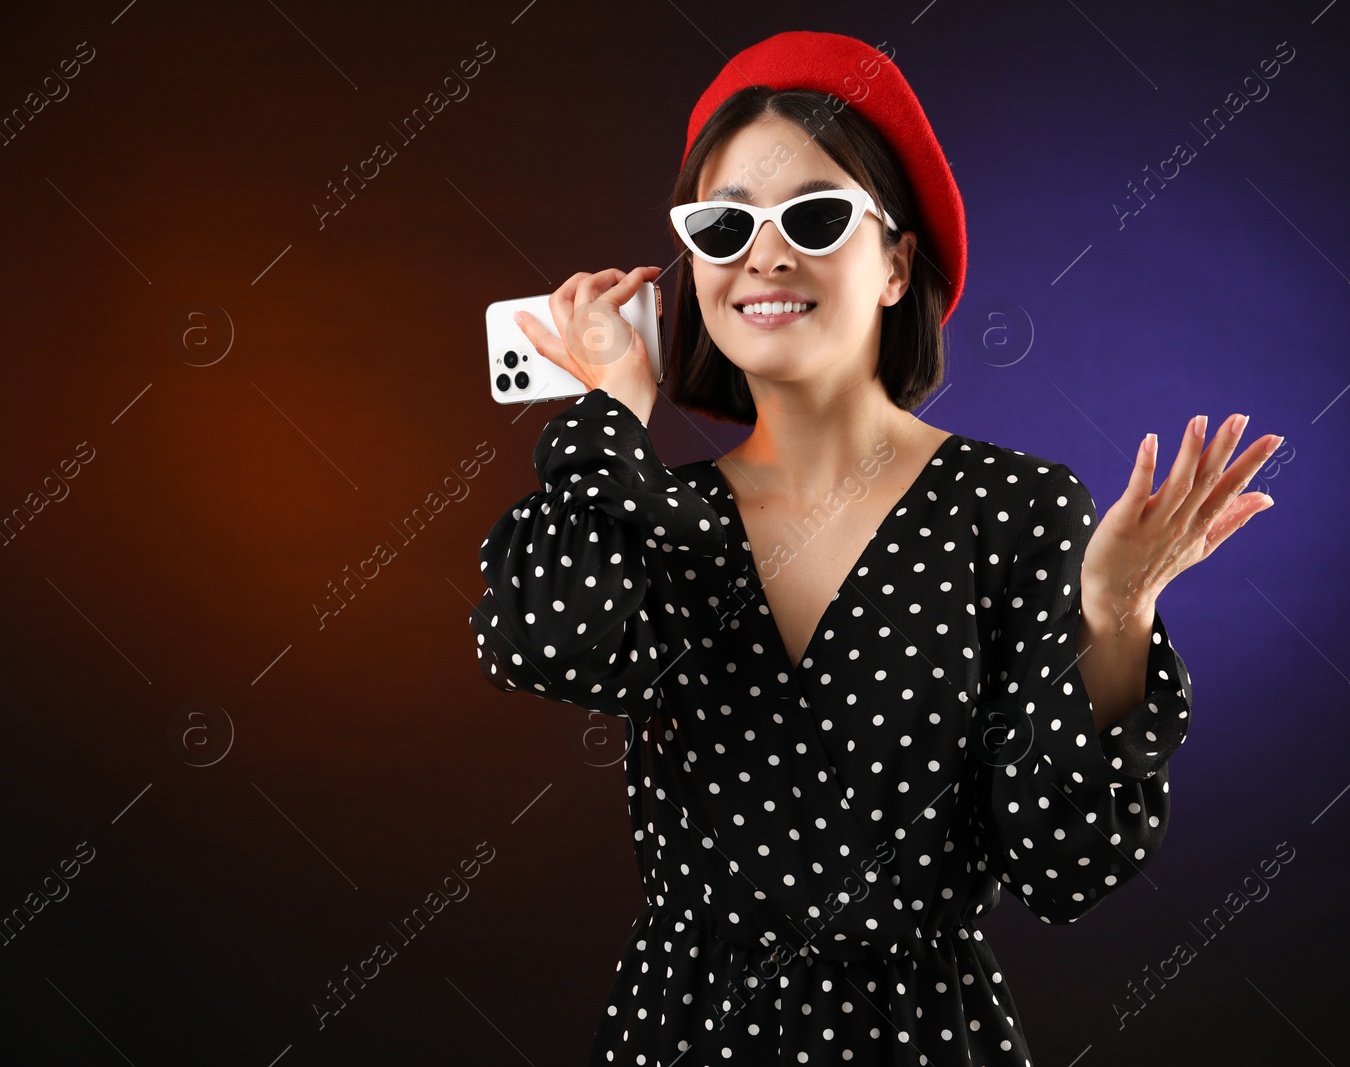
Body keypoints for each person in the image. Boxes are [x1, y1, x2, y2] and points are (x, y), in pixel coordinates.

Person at [468, 30, 1281, 1065]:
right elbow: (548, 642)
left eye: (811, 215)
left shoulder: (1015, 511)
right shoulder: (649, 511)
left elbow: (1068, 865)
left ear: (896, 264)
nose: (763, 256)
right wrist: (610, 415)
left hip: (919, 1037)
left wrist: (1113, 618)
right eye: (723, 226)